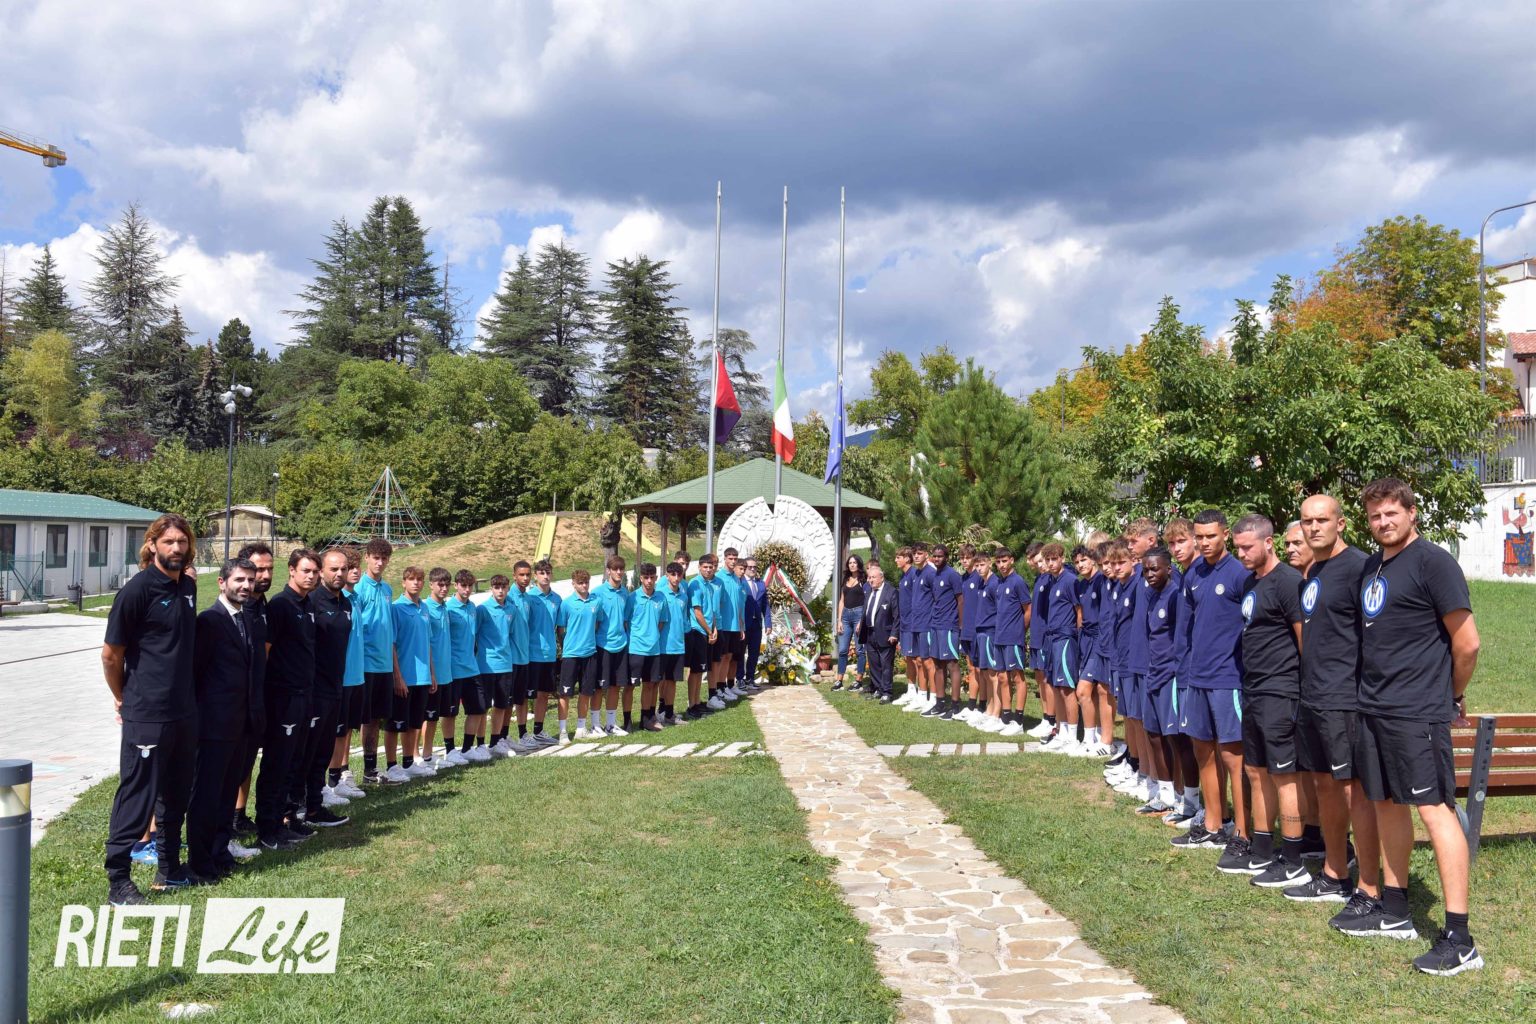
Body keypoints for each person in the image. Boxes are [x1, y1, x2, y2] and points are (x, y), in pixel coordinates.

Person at [1351, 478, 1483, 975]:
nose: (1383, 522)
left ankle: (1460, 939)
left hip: (1417, 711)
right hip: (1374, 707)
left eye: (1392, 513)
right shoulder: (1374, 566)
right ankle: (1395, 910)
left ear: (1412, 513)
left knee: (1435, 811)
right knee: (1386, 803)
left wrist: (1450, 696)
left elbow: (1467, 643)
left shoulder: (1434, 562)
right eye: (1375, 516)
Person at [1285, 493, 1378, 911]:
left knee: (1352, 792)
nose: (1314, 527)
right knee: (1324, 787)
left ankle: (1369, 885)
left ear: (1340, 523)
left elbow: (1375, 634)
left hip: (1345, 699)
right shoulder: (1314, 571)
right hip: (1313, 696)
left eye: (1322, 520)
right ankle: (1334, 873)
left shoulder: (1360, 567)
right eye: (1307, 521)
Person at [1229, 514, 1305, 886]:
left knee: (1283, 775)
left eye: (1247, 547)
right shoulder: (1251, 582)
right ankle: (1262, 848)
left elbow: (1304, 639)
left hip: (1281, 690)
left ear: (1269, 542)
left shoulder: (1289, 582)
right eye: (1237, 548)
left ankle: (1293, 859)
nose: (1241, 554)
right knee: (1256, 771)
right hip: (1254, 689)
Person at [1170, 511, 1250, 857]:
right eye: (1199, 537)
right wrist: (1184, 670)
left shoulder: (1239, 574)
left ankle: (1243, 831)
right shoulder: (1193, 573)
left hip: (1228, 678)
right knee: (1202, 751)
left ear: (1225, 535)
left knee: (1233, 757)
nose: (1204, 543)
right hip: (1196, 678)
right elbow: (1185, 629)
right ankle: (1214, 824)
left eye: (1211, 536)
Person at [186, 556, 262, 884]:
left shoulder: (247, 618)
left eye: (250, 580)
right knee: (206, 796)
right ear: (222, 583)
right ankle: (201, 863)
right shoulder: (209, 621)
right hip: (213, 727)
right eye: (239, 580)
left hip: (241, 726)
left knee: (227, 793)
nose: (246, 586)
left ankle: (220, 853)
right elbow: (195, 674)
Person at [257, 548, 322, 851]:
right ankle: (267, 828)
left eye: (315, 572)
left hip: (304, 695)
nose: (311, 576)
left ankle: (286, 820)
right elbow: (266, 651)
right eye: (306, 570)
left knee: (294, 763)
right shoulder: (281, 605)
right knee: (277, 764)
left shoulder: (308, 603)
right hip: (283, 697)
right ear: (292, 571)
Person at [292, 549, 353, 828]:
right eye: (333, 569)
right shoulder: (312, 601)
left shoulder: (346, 603)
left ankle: (315, 808)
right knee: (307, 752)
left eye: (343, 569)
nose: (339, 574)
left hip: (335, 687)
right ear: (322, 572)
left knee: (324, 751)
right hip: (314, 690)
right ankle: (297, 807)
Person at [229, 541, 273, 839]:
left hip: (260, 696)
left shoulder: (263, 604)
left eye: (269, 569)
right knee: (233, 763)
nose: (265, 575)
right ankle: (226, 822)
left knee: (247, 760)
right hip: (237, 701)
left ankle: (239, 814)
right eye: (259, 569)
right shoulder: (239, 608)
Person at [1139, 547, 1187, 820]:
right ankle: (1165, 794)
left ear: (1169, 569)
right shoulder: (1152, 596)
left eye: (1155, 569)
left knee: (1175, 739)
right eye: (1146, 569)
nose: (1149, 574)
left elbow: (1180, 638)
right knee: (1154, 735)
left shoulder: (1175, 596)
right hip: (1153, 674)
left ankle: (1185, 797)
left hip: (1170, 676)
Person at [352, 537, 396, 786]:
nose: (379, 563)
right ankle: (342, 772)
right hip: (365, 664)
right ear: (367, 557)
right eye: (376, 558)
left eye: (384, 559)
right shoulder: (359, 588)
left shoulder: (388, 589)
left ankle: (371, 771)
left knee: (376, 718)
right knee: (361, 718)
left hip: (384, 665)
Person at [389, 567, 438, 779]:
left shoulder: (424, 608)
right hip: (404, 676)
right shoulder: (396, 608)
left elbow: (428, 643)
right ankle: (391, 766)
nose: (416, 583)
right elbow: (391, 644)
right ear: (403, 582)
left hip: (422, 676)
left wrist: (432, 673)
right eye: (411, 579)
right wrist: (397, 676)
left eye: (419, 579)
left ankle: (409, 762)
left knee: (415, 723)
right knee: (396, 724)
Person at [327, 551, 369, 799]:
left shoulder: (355, 599)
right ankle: (330, 781)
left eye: (355, 567)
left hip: (357, 675)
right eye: (347, 567)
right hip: (339, 677)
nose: (352, 572)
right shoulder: (335, 600)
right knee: (335, 731)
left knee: (347, 729)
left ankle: (342, 773)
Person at [1038, 543, 1082, 752]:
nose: (1050, 563)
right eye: (1047, 560)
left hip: (1065, 639)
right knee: (1055, 686)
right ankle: (1062, 731)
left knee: (1066, 687)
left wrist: (1078, 636)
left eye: (1054, 559)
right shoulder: (1052, 582)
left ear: (1062, 558)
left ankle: (1072, 736)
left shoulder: (1070, 580)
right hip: (1052, 639)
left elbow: (1079, 610)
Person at [1072, 544, 1114, 757]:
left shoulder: (1102, 581)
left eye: (1084, 560)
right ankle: (1093, 737)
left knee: (1084, 691)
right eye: (1077, 562)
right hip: (1086, 640)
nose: (1080, 565)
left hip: (1101, 639)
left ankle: (1095, 740)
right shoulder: (1081, 585)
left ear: (1093, 560)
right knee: (1093, 692)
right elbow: (1080, 613)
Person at [446, 570, 491, 760]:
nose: (466, 589)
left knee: (479, 708)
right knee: (450, 713)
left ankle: (467, 748)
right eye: (463, 585)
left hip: (472, 668)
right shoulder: (448, 609)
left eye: (469, 586)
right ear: (456, 585)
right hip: (454, 670)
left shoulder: (473, 607)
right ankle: (450, 751)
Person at [557, 569, 605, 737]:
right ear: (573, 584)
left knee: (586, 692)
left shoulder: (596, 602)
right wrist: (567, 646)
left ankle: (580, 728)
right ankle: (563, 731)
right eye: (580, 583)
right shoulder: (567, 603)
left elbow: (597, 624)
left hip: (590, 653)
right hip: (571, 655)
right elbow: (561, 629)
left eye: (586, 582)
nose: (584, 586)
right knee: (565, 693)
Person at [420, 567, 459, 767]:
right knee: (428, 717)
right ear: (431, 585)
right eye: (440, 585)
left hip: (447, 672)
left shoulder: (445, 607)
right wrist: (430, 672)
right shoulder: (426, 608)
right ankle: (422, 756)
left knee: (443, 715)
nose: (444, 588)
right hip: (432, 673)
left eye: (446, 585)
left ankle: (436, 753)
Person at [475, 575, 518, 758]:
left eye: (503, 587)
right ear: (491, 588)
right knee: (483, 707)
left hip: (505, 664)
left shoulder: (512, 609)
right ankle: (480, 744)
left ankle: (495, 742)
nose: (500, 591)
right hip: (486, 666)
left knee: (501, 705)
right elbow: (474, 635)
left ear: (508, 588)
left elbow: (510, 634)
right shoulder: (482, 609)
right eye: (496, 587)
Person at [922, 544, 966, 720]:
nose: (936, 559)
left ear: (946, 557)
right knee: (938, 664)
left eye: (940, 556)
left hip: (949, 626)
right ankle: (940, 703)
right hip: (935, 625)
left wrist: (960, 625)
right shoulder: (935, 576)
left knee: (951, 665)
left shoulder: (952, 575)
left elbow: (960, 600)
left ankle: (955, 705)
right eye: (934, 556)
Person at [990, 548, 1029, 737]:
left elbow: (1027, 609)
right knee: (1002, 678)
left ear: (1012, 560)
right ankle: (1005, 718)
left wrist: (1021, 631)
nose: (1001, 565)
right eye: (998, 562)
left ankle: (1018, 721)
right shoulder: (999, 583)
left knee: (1017, 678)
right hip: (999, 637)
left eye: (1004, 561)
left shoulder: (1018, 582)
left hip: (1013, 638)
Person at [594, 555, 634, 735]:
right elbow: (594, 622)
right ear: (608, 571)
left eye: (621, 569)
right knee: (599, 687)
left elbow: (625, 620)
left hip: (621, 644)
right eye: (615, 569)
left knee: (616, 686)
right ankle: (595, 725)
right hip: (603, 645)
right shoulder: (598, 593)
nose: (619, 572)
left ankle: (610, 724)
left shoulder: (624, 592)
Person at [628, 563, 669, 732]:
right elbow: (626, 622)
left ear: (656, 578)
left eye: (652, 578)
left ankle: (646, 719)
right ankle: (627, 721)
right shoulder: (632, 598)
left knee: (651, 684)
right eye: (646, 578)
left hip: (654, 649)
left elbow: (662, 622)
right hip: (636, 649)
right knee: (630, 686)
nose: (649, 581)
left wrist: (652, 636)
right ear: (641, 578)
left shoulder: (661, 598)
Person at [527, 560, 562, 745]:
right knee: (526, 696)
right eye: (541, 573)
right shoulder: (529, 598)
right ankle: (522, 734)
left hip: (549, 654)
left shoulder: (557, 599)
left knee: (544, 694)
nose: (545, 576)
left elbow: (559, 628)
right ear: (535, 575)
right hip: (531, 654)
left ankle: (538, 731)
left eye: (548, 572)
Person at [858, 561, 901, 701]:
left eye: (873, 577)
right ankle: (878, 688)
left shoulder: (891, 592)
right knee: (874, 664)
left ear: (881, 578)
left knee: (886, 664)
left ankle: (887, 692)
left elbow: (897, 615)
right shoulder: (869, 592)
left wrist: (894, 633)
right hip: (869, 633)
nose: (870, 580)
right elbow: (866, 611)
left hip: (885, 633)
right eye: (869, 577)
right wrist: (861, 624)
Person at [684, 554, 719, 720]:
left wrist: (714, 628)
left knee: (701, 670)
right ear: (699, 567)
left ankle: (697, 702)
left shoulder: (709, 585)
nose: (708, 570)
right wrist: (709, 631)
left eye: (711, 567)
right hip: (697, 631)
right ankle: (691, 705)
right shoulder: (695, 584)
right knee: (695, 670)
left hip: (707, 631)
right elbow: (697, 612)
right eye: (705, 567)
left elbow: (711, 611)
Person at [1025, 542, 1054, 739]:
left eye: (1038, 560)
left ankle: (1052, 719)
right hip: (1036, 637)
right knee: (1039, 678)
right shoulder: (1040, 579)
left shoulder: (1052, 579)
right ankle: (1046, 717)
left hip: (1046, 637)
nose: (1037, 564)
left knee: (1047, 679)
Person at [659, 561, 692, 725]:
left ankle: (669, 714)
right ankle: (658, 710)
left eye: (679, 575)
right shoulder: (660, 595)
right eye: (673, 574)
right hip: (663, 645)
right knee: (660, 680)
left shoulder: (684, 597)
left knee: (672, 680)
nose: (676, 578)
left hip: (678, 645)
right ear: (667, 576)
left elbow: (684, 620)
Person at [714, 548, 747, 703]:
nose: (733, 561)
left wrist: (741, 626)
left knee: (729, 657)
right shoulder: (719, 577)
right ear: (725, 559)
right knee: (722, 658)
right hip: (724, 625)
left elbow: (738, 604)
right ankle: (718, 688)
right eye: (730, 558)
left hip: (735, 626)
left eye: (735, 558)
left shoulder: (736, 578)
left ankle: (725, 686)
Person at [833, 554, 868, 690]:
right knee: (842, 650)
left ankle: (858, 680)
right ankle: (839, 680)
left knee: (859, 650)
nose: (852, 565)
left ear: (859, 564)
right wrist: (839, 620)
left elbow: (867, 601)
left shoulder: (864, 580)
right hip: (846, 616)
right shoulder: (846, 579)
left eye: (854, 562)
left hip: (859, 614)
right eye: (850, 563)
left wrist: (861, 621)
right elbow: (842, 601)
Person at [891, 547, 919, 708]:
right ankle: (911, 689)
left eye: (898, 557)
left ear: (907, 559)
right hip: (905, 623)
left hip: (913, 623)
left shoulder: (914, 574)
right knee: (908, 657)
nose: (896, 560)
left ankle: (920, 692)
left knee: (916, 659)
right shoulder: (904, 576)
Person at [738, 556, 769, 694]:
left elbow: (765, 605)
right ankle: (739, 678)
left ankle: (750, 678)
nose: (752, 569)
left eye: (754, 567)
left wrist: (768, 623)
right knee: (740, 652)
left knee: (754, 652)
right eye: (749, 567)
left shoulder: (761, 584)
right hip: (744, 624)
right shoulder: (740, 582)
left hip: (757, 624)